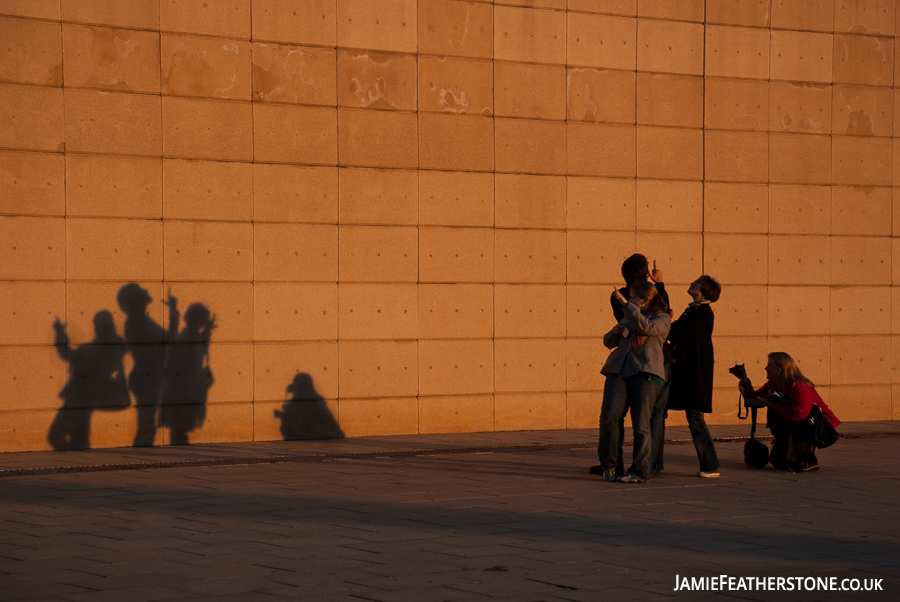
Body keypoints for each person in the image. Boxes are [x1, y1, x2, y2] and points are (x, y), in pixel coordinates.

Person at [593, 281, 671, 483]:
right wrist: (615, 332)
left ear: (645, 300)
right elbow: (607, 341)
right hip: (618, 370)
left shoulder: (662, 318)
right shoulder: (629, 317)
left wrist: (626, 305)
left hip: (644, 372)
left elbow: (647, 328)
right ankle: (610, 465)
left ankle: (640, 470)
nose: (630, 300)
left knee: (641, 424)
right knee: (609, 417)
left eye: (634, 297)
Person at [609, 254, 671, 477]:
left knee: (645, 421)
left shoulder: (651, 308)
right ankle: (643, 464)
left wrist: (656, 287)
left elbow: (655, 318)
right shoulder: (627, 299)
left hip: (652, 364)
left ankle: (646, 466)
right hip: (634, 362)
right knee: (646, 419)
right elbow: (628, 325)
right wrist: (659, 284)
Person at [739, 352, 840, 472]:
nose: (766, 368)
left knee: (790, 463)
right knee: (778, 461)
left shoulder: (799, 386)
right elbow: (755, 398)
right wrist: (744, 379)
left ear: (780, 369)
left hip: (812, 427)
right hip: (792, 425)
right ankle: (791, 446)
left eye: (769, 365)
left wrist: (772, 404)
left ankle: (807, 457)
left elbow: (799, 415)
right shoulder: (774, 384)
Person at [49, 311, 129, 450]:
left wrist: (60, 333)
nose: (98, 327)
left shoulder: (106, 347)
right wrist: (60, 333)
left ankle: (77, 458)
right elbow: (70, 355)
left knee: (62, 434)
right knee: (75, 436)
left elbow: (69, 355)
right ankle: (78, 458)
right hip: (83, 395)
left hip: (82, 395)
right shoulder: (107, 346)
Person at [667, 276, 722, 478]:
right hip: (688, 373)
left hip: (695, 374)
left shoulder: (703, 312)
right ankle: (709, 463)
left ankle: (710, 464)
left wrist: (664, 321)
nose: (692, 283)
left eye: (698, 283)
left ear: (705, 291)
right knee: (694, 417)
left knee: (695, 418)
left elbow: (678, 332)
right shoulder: (693, 310)